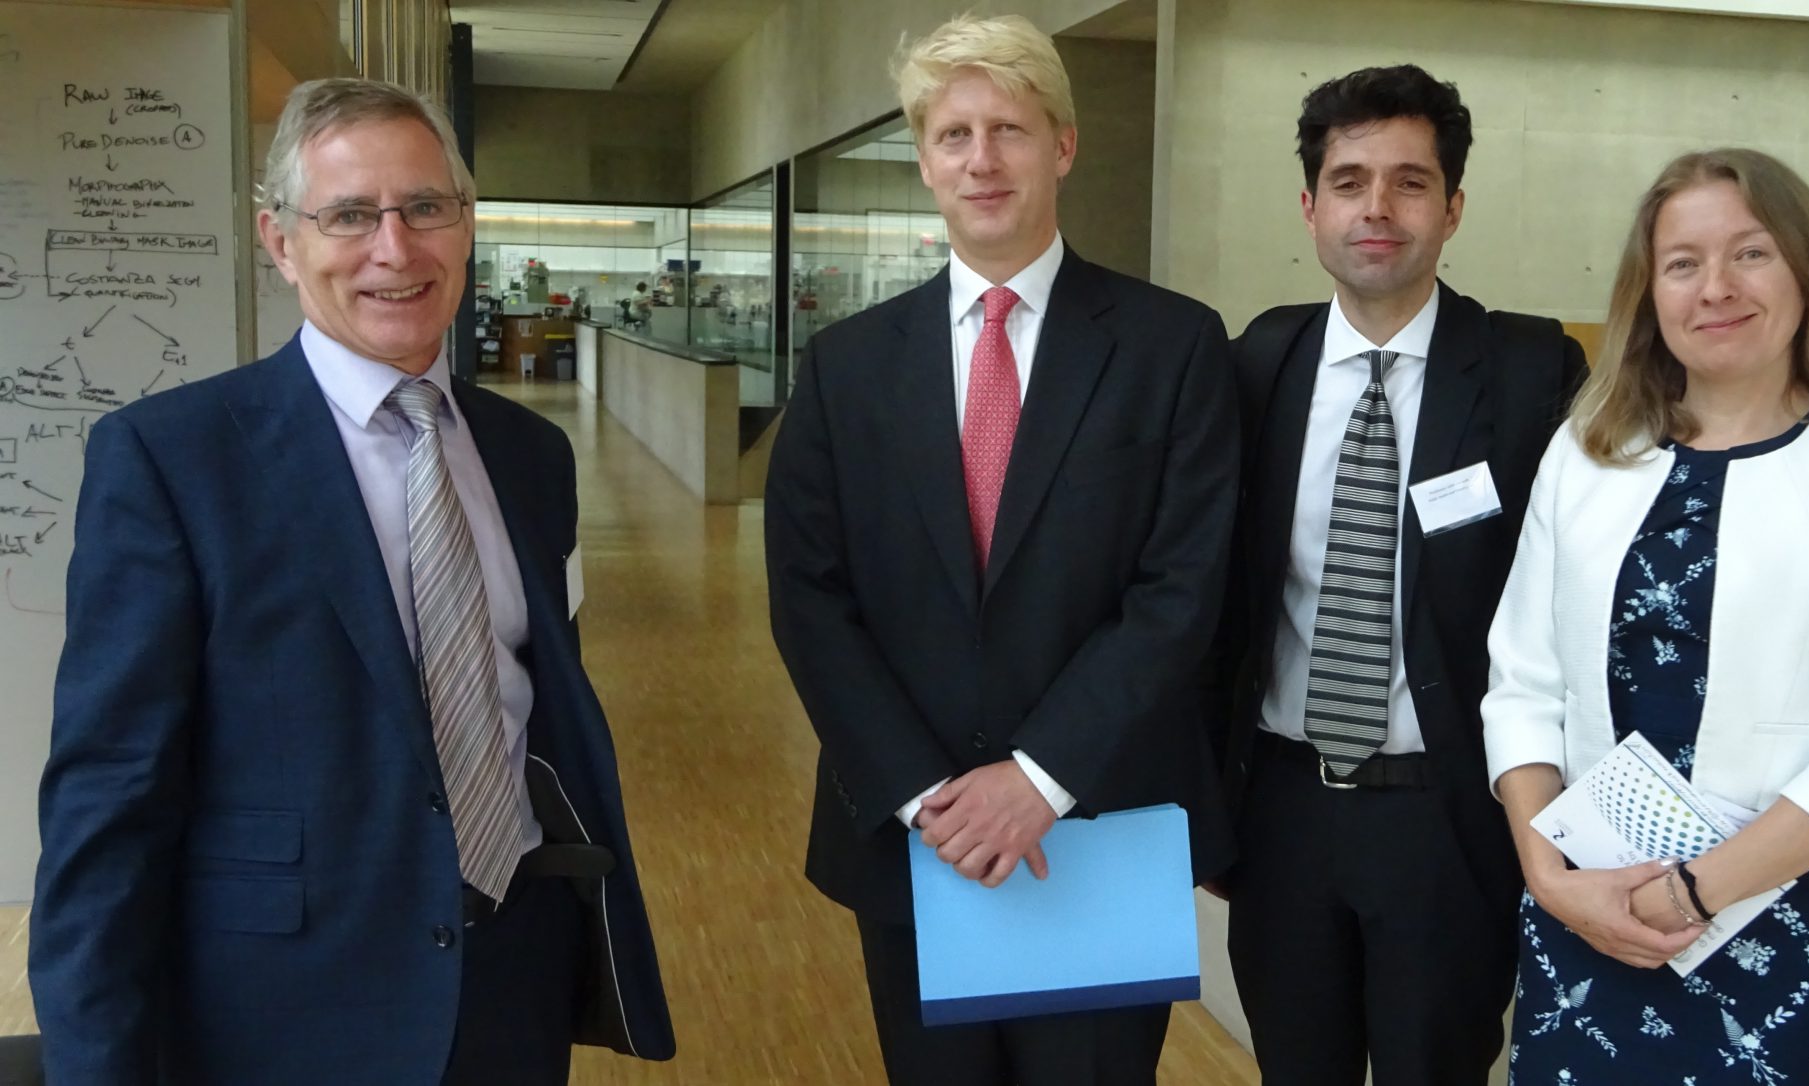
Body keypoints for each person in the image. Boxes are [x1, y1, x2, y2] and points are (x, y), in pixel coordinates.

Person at [29, 77, 674, 1085]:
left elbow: (523, 707)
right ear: (280, 242)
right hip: (289, 1009)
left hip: (512, 978)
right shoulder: (173, 460)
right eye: (347, 215)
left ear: (464, 226)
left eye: (425, 208)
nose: (394, 248)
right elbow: (108, 801)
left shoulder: (529, 453)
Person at [764, 14, 1236, 1086]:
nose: (981, 161)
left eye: (1010, 130)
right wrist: (928, 793)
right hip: (914, 841)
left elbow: (1180, 589)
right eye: (953, 134)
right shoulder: (845, 368)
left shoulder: (1171, 347)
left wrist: (1036, 776)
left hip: (1099, 823)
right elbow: (806, 595)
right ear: (924, 159)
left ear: (1061, 145)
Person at [1482, 148, 1809, 1083]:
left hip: (1775, 927)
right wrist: (1551, 880)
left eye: (1751, 253)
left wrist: (1690, 892)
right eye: (1683, 262)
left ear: (1806, 272)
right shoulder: (1586, 454)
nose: (1716, 288)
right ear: (1649, 292)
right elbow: (1523, 686)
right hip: (1586, 913)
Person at [1215, 65, 1586, 1085]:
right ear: (1308, 207)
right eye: (1347, 181)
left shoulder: (1525, 373)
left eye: (1408, 182)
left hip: (1446, 818)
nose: (1375, 208)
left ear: (1452, 207)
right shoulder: (1256, 364)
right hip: (1283, 810)